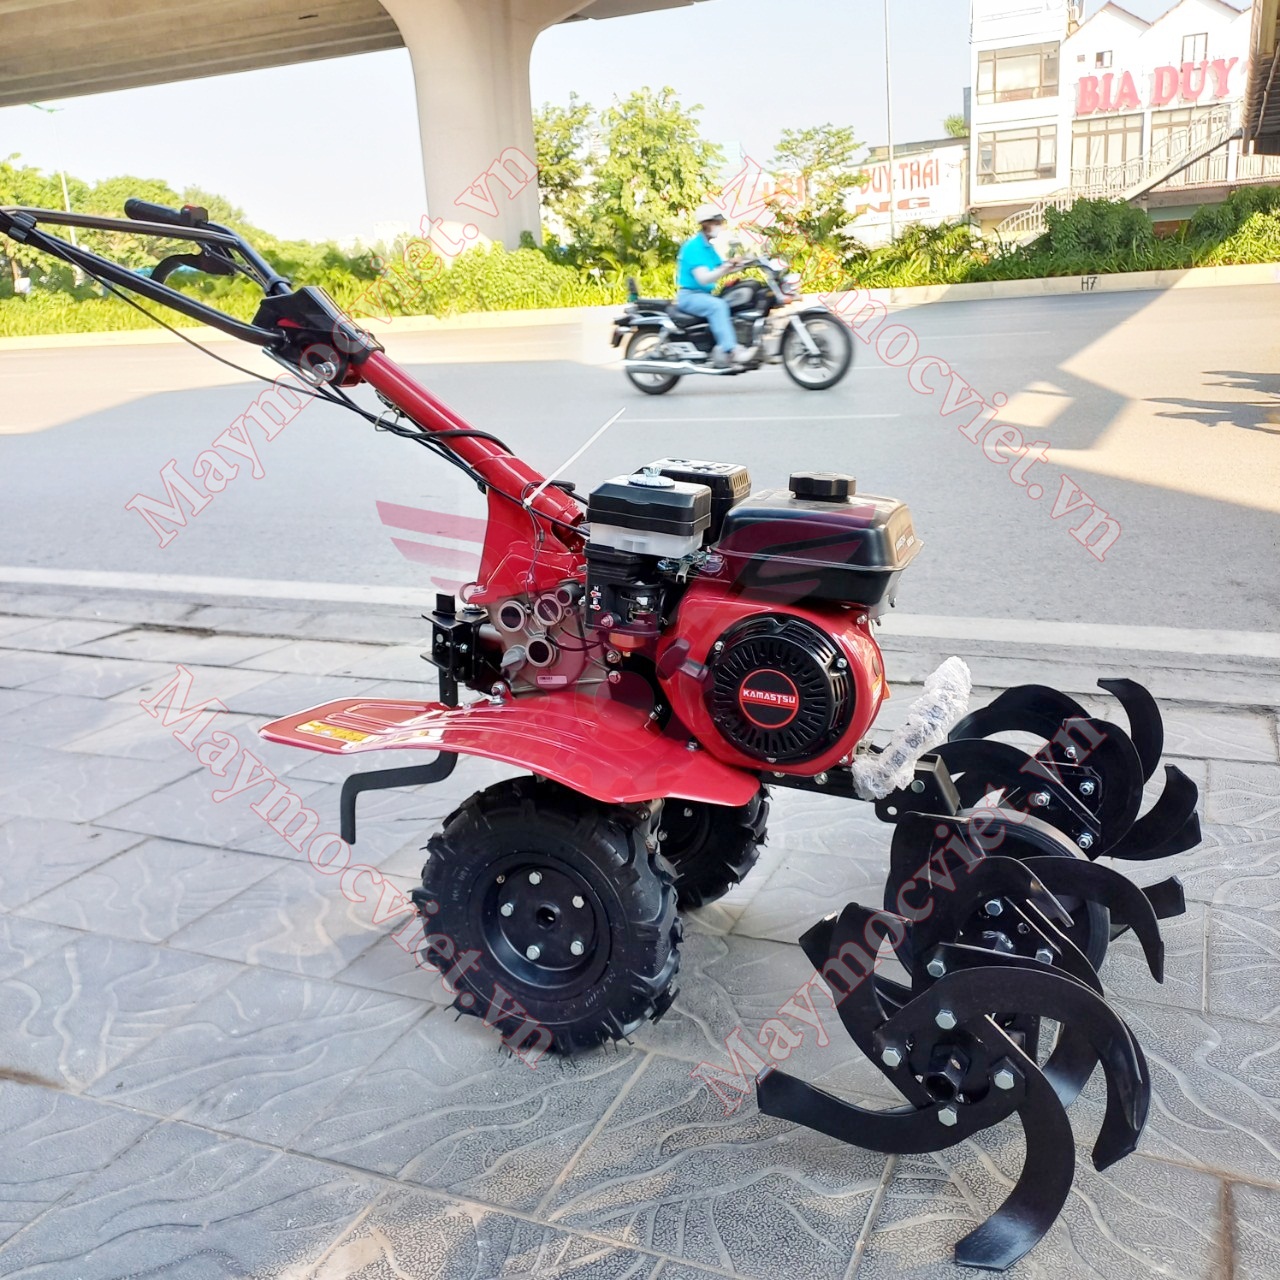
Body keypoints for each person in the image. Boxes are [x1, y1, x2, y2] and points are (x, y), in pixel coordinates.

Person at [675, 206, 757, 367]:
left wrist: (747, 261)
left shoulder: (708, 247)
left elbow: (723, 266)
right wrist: (726, 268)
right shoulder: (693, 247)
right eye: (716, 223)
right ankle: (732, 350)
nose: (720, 226)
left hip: (703, 296)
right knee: (718, 306)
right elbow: (704, 278)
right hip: (690, 296)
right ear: (706, 224)